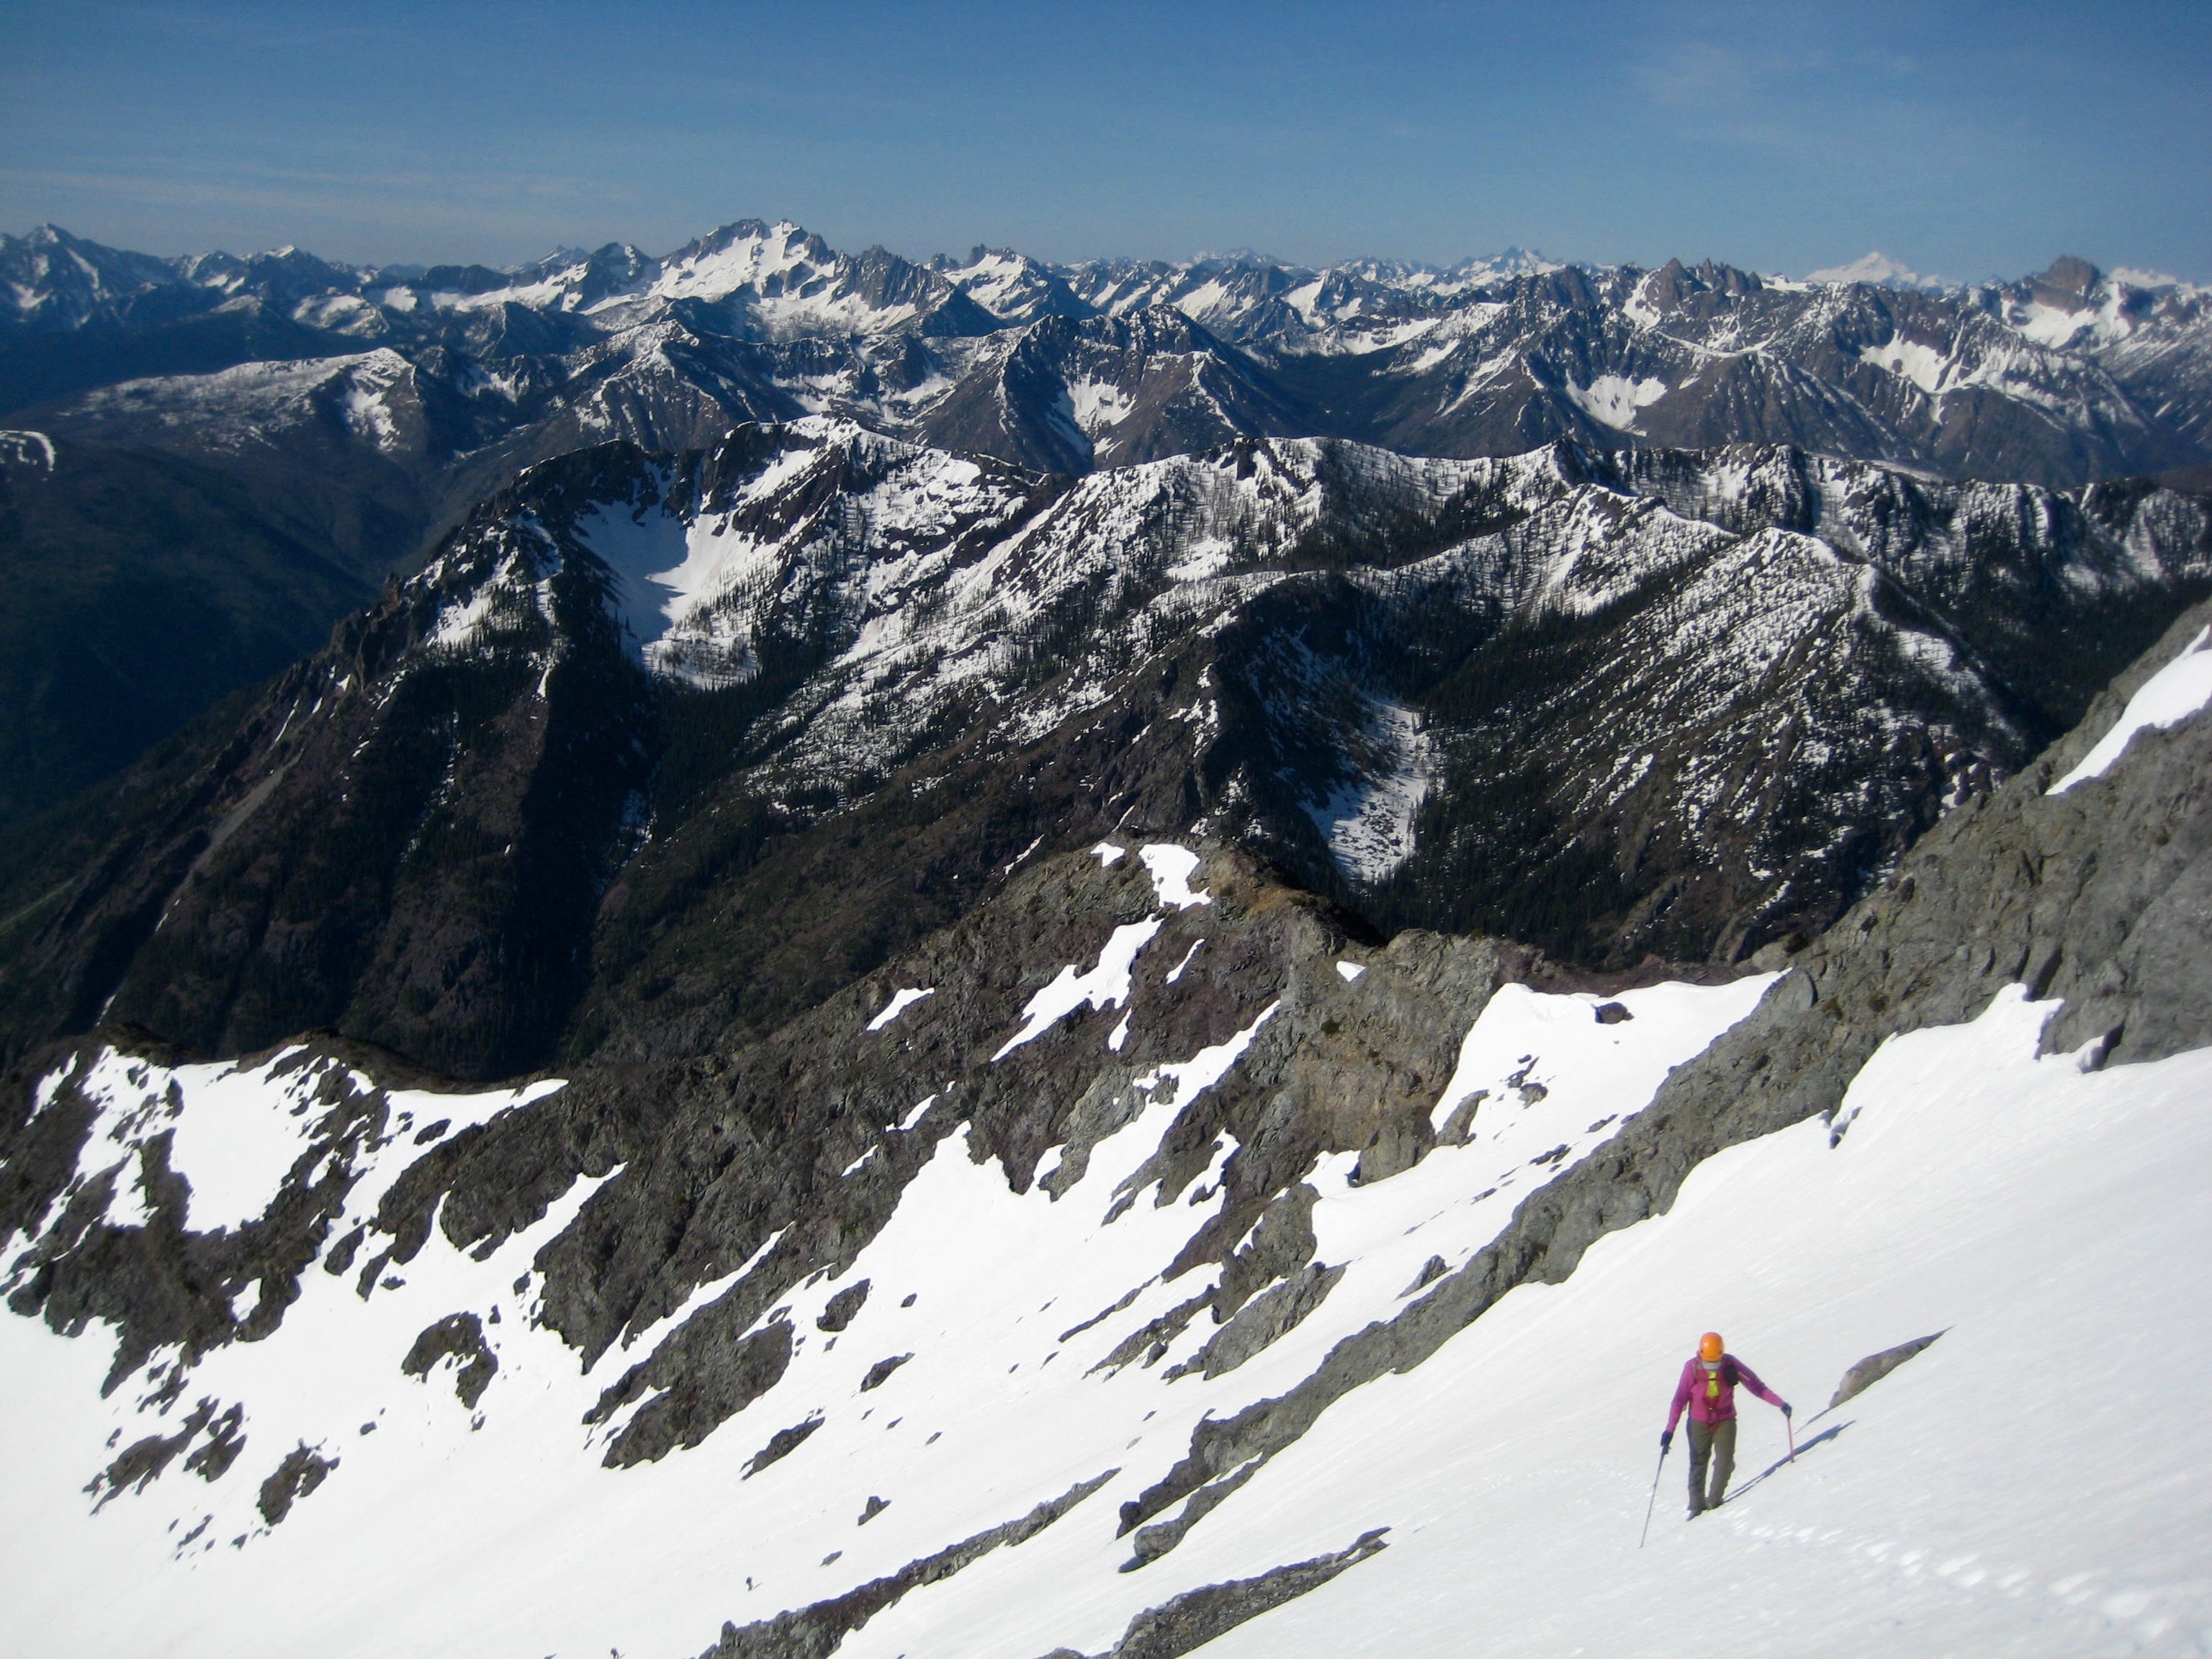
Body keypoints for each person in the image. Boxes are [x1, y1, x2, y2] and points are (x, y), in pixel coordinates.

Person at [1661, 1331, 1791, 1517]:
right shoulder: (1692, 1368)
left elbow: (1756, 1386)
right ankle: (1696, 1507)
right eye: (1709, 1364)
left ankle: (1714, 1501)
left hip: (1725, 1420)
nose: (1712, 1367)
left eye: (1716, 1364)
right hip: (1699, 1422)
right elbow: (1679, 1400)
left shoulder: (1731, 1365)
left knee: (1725, 1461)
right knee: (1698, 1463)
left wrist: (1780, 1404)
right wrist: (1669, 1431)